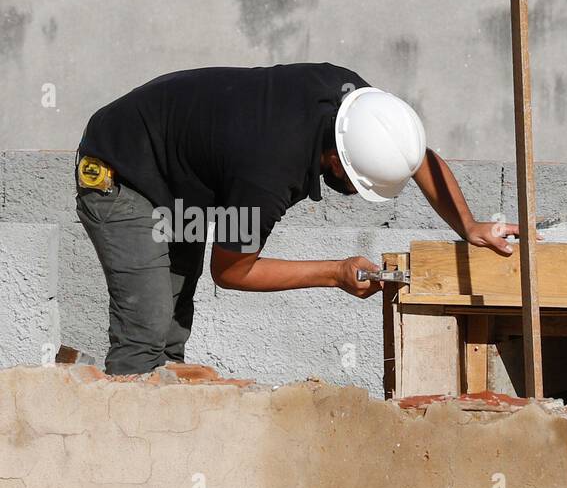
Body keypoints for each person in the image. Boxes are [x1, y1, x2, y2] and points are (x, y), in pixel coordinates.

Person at [75, 63, 515, 375]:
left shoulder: (356, 103)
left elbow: (413, 155)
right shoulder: (266, 175)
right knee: (147, 328)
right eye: (358, 183)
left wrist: (469, 225)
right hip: (122, 173)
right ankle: (124, 470)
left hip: (179, 176)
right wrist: (335, 273)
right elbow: (231, 271)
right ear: (337, 160)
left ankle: (163, 437)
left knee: (170, 330)